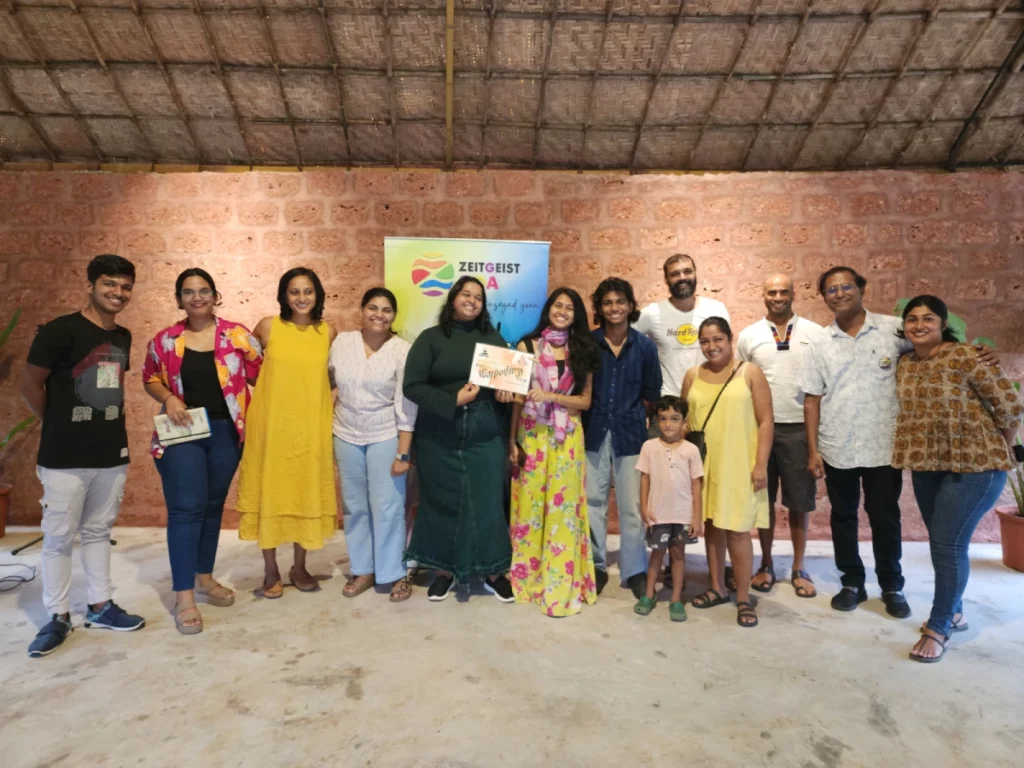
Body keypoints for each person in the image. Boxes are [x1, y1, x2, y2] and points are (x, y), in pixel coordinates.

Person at [21, 254, 145, 657]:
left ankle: (100, 606)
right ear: (90, 285)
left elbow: (109, 388)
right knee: (58, 537)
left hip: (111, 452)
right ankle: (57, 616)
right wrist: (55, 422)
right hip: (63, 456)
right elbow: (30, 384)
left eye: (125, 286)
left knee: (97, 532)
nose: (118, 292)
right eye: (109, 283)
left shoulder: (123, 336)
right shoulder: (59, 331)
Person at [893, 295, 1022, 662]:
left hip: (976, 466)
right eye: (912, 319)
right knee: (942, 543)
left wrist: (1003, 449)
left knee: (948, 544)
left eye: (928, 318)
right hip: (927, 464)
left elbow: (1009, 406)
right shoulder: (905, 363)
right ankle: (956, 611)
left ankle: (939, 626)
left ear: (943, 323)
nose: (919, 325)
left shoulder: (967, 355)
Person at [142, 268, 263, 634]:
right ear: (179, 299)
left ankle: (204, 578)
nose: (197, 297)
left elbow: (262, 375)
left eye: (204, 290)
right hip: (183, 431)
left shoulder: (238, 336)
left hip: (226, 432)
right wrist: (169, 398)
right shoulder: (165, 340)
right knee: (186, 508)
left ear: (215, 295)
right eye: (189, 292)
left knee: (212, 506)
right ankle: (184, 596)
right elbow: (150, 378)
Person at [802, 266, 912, 617]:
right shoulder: (819, 342)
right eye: (831, 290)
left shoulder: (894, 329)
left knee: (885, 518)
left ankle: (891, 586)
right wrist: (813, 450)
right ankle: (852, 581)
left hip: (883, 446)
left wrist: (976, 353)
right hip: (838, 446)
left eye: (846, 286)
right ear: (824, 297)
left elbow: (933, 345)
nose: (839, 294)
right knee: (843, 517)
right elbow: (812, 399)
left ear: (861, 288)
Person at [402, 276, 515, 602]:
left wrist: (505, 393)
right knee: (442, 502)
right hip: (439, 434)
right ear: (453, 299)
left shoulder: (492, 338)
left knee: (488, 502)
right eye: (466, 294)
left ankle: (493, 571)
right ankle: (444, 571)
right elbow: (413, 386)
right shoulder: (431, 338)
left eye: (478, 297)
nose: (472, 300)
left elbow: (504, 385)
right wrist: (453, 400)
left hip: (485, 434)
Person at [236, 267, 338, 598]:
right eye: (294, 291)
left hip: (310, 427)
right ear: (283, 295)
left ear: (318, 295)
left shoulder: (328, 332)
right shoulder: (268, 327)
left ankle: (300, 566)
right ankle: (270, 570)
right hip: (271, 426)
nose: (301, 297)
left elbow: (331, 377)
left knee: (303, 490)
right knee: (269, 490)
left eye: (308, 291)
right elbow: (245, 367)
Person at [508, 287, 600, 617]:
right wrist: (511, 440)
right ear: (548, 309)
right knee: (530, 506)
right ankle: (528, 578)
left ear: (577, 315)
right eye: (557, 305)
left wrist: (552, 397)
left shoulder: (583, 350)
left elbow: (584, 402)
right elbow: (518, 398)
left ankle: (560, 581)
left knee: (563, 510)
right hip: (531, 434)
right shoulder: (526, 346)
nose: (562, 311)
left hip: (567, 438)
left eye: (569, 308)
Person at [735, 274, 823, 598]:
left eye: (784, 291)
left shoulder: (814, 333)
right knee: (764, 501)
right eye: (772, 292)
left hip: (799, 427)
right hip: (760, 428)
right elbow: (742, 382)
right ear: (763, 294)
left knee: (800, 501)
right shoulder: (749, 335)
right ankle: (766, 563)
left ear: (794, 293)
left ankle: (799, 566)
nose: (778, 297)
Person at [329, 287, 417, 603]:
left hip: (385, 434)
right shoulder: (342, 343)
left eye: (386, 310)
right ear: (362, 310)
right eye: (373, 308)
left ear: (394, 316)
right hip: (345, 434)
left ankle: (394, 572)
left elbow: (406, 404)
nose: (379, 315)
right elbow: (326, 380)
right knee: (354, 506)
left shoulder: (402, 350)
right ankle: (363, 569)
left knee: (388, 507)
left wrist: (403, 452)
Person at [683, 317, 772, 628]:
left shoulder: (750, 373)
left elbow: (765, 421)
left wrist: (760, 464)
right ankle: (717, 587)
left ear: (730, 338)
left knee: (737, 529)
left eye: (718, 339)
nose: (712, 346)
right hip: (703, 464)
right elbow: (684, 421)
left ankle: (744, 597)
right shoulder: (692, 375)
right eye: (705, 341)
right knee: (711, 525)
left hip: (738, 463)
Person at [584, 277, 662, 599]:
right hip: (593, 432)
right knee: (593, 502)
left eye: (620, 302)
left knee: (632, 507)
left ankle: (634, 570)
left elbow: (651, 395)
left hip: (631, 435)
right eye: (607, 303)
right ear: (599, 308)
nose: (614, 308)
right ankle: (595, 565)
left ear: (631, 306)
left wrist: (632, 416)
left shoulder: (645, 347)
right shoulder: (588, 344)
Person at [633, 396, 703, 622]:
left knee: (678, 555)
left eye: (674, 419)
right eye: (662, 419)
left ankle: (676, 599)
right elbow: (644, 478)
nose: (668, 424)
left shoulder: (691, 450)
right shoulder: (649, 447)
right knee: (656, 554)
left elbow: (696, 484)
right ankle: (649, 594)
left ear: (685, 421)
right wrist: (644, 508)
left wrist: (697, 517)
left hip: (682, 515)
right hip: (658, 514)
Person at [635, 253, 730, 402]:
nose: (682, 277)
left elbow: (727, 353)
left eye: (687, 271)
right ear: (666, 279)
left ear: (695, 274)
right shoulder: (652, 313)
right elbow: (627, 342)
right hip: (669, 401)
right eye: (675, 274)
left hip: (710, 397)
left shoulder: (716, 309)